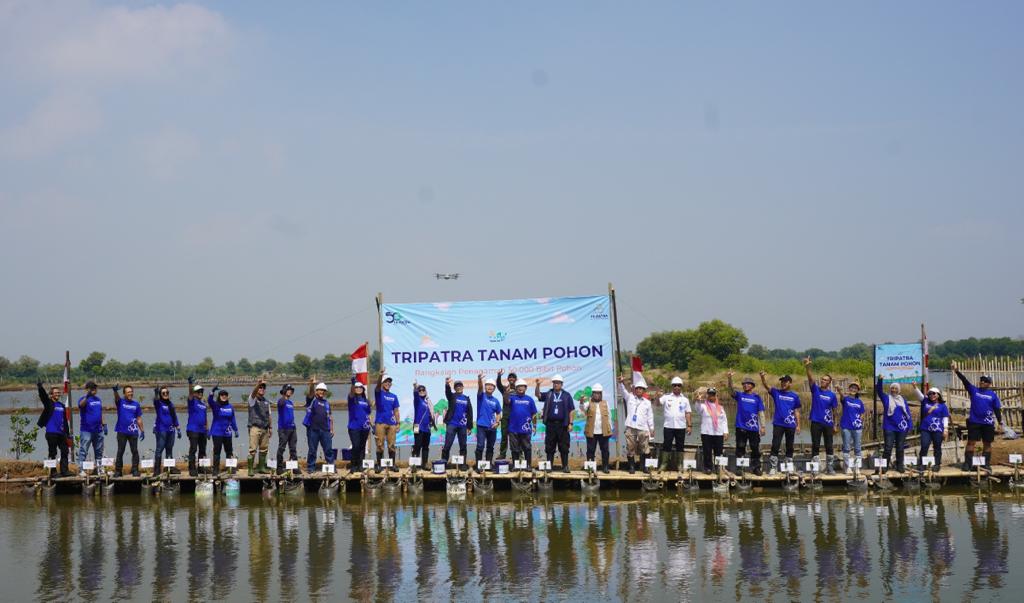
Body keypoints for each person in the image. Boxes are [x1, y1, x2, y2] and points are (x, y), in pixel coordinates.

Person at [951, 361, 1004, 471]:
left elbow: (997, 409)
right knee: (971, 442)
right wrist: (957, 371)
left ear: (989, 383)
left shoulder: (993, 395)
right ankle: (967, 463)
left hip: (988, 423)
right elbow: (965, 381)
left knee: (987, 443)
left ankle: (986, 464)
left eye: (985, 381)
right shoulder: (974, 390)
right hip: (974, 421)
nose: (982, 382)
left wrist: (1000, 423)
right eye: (981, 380)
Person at [760, 372, 801, 475]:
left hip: (791, 424)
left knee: (790, 445)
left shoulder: (794, 396)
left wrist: (798, 425)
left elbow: (796, 411)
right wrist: (763, 378)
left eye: (785, 382)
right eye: (782, 382)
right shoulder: (776, 392)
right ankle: (773, 467)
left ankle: (789, 467)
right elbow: (766, 386)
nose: (783, 383)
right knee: (775, 445)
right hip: (778, 423)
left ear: (790, 383)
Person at [804, 358, 839, 474]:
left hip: (828, 423)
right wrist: (808, 366)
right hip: (816, 422)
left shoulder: (832, 395)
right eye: (822, 379)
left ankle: (830, 467)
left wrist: (835, 425)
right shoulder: (816, 390)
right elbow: (810, 378)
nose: (823, 381)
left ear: (829, 382)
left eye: (825, 380)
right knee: (815, 444)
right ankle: (815, 468)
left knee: (829, 445)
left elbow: (835, 411)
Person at [727, 372, 766, 475]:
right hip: (741, 426)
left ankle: (756, 468)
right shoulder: (739, 395)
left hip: (753, 428)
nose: (745, 385)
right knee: (740, 448)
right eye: (744, 384)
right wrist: (729, 378)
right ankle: (740, 468)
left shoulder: (757, 397)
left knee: (755, 448)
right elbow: (730, 390)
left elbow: (761, 412)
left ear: (752, 386)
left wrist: (763, 426)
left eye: (748, 383)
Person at [536, 374, 574, 473]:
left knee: (564, 447)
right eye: (554, 383)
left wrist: (571, 423)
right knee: (549, 446)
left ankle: (565, 466)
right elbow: (538, 395)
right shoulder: (549, 394)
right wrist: (538, 386)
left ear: (561, 384)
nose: (556, 384)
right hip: (551, 425)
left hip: (563, 425)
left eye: (558, 383)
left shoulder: (566, 395)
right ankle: (549, 466)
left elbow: (571, 410)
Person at [618, 376, 654, 474]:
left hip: (643, 427)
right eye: (637, 388)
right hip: (630, 427)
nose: (639, 390)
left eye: (641, 389)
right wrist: (621, 383)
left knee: (645, 447)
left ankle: (645, 467)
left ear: (643, 390)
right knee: (630, 447)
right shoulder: (629, 397)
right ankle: (632, 467)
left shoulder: (647, 402)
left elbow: (650, 416)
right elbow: (622, 391)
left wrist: (652, 428)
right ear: (634, 389)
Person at [875, 376, 912, 473]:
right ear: (890, 389)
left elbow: (907, 413)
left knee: (900, 447)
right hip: (889, 427)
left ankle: (900, 466)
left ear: (899, 390)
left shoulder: (902, 400)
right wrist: (880, 380)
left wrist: (910, 425)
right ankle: (884, 467)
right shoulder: (886, 398)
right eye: (892, 388)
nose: (894, 390)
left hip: (902, 427)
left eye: (896, 388)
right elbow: (879, 390)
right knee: (888, 448)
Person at [655, 376, 691, 472]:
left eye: (678, 385)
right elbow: (657, 404)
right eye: (674, 385)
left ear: (681, 387)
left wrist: (689, 425)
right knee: (666, 445)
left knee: (680, 446)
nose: (676, 387)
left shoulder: (685, 400)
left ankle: (679, 465)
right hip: (668, 426)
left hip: (681, 426)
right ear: (672, 386)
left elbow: (687, 413)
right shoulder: (666, 397)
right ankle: (663, 465)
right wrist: (657, 396)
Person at [36, 379, 71, 477]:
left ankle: (64, 471)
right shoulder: (49, 404)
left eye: (59, 393)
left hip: (61, 433)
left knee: (65, 451)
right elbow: (43, 397)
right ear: (51, 394)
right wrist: (40, 387)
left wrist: (67, 434)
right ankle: (53, 472)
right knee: (53, 452)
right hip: (51, 432)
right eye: (56, 393)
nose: (58, 394)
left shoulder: (62, 406)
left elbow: (65, 421)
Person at [914, 385, 950, 471]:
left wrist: (945, 429)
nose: (932, 395)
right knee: (924, 445)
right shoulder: (925, 401)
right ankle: (922, 464)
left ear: (938, 395)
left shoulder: (942, 405)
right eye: (930, 394)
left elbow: (945, 417)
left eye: (934, 393)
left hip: (937, 429)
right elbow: (919, 395)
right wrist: (915, 387)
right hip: (926, 428)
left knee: (937, 447)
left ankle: (937, 464)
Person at [442, 377, 474, 469]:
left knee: (463, 445)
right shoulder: (452, 396)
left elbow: (470, 413)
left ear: (463, 387)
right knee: (447, 444)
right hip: (452, 424)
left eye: (460, 386)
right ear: (454, 388)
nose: (459, 387)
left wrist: (469, 427)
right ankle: (443, 463)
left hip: (462, 426)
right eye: (457, 386)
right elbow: (447, 392)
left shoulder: (466, 398)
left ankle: (462, 464)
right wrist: (447, 384)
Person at [112, 384, 144, 477]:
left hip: (133, 431)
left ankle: (135, 470)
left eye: (131, 392)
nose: (130, 393)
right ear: (124, 393)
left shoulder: (136, 404)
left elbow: (139, 418)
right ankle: (118, 471)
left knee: (134, 451)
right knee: (120, 451)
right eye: (128, 392)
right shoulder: (120, 402)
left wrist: (142, 430)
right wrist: (115, 391)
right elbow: (117, 398)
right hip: (122, 431)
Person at [506, 379, 539, 466]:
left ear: (526, 388)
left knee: (527, 448)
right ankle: (516, 465)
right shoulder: (512, 398)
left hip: (526, 429)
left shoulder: (530, 399)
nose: (521, 388)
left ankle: (528, 465)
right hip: (513, 429)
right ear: (516, 388)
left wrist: (535, 426)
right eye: (518, 386)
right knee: (514, 449)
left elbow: (534, 414)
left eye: (522, 386)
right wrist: (506, 393)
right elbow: (506, 401)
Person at [77, 380, 106, 475]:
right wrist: (87, 396)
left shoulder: (98, 399)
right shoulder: (83, 399)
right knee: (84, 450)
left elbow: (100, 413)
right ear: (87, 389)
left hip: (98, 430)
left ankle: (99, 468)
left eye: (95, 388)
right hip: (86, 430)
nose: (94, 390)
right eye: (92, 388)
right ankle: (81, 469)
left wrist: (104, 424)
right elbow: (81, 405)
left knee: (99, 451)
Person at [697, 387, 729, 473]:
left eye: (713, 394)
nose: (711, 396)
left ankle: (718, 468)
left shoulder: (721, 408)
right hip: (706, 432)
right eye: (710, 394)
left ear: (715, 396)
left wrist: (725, 432)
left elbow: (724, 420)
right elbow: (697, 409)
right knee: (707, 451)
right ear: (707, 395)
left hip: (718, 433)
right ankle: (708, 468)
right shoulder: (703, 406)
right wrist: (698, 400)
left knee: (718, 452)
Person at [581, 383, 611, 473]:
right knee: (590, 451)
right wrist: (581, 402)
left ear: (601, 394)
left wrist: (610, 429)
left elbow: (609, 417)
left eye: (599, 393)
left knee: (605, 450)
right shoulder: (588, 403)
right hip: (592, 432)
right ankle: (591, 468)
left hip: (604, 432)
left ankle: (605, 467)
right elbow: (583, 408)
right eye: (595, 393)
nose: (597, 395)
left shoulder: (605, 403)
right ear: (592, 394)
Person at [305, 380, 334, 471]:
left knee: (328, 450)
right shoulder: (312, 400)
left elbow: (330, 417)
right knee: (312, 450)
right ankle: (311, 468)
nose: (322, 392)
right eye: (320, 390)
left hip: (325, 430)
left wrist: (332, 429)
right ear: (316, 391)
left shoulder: (326, 403)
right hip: (313, 430)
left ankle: (331, 467)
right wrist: (312, 385)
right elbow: (310, 394)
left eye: (323, 390)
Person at [837, 382, 867, 472]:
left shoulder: (859, 401)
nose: (853, 390)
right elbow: (842, 397)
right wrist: (839, 391)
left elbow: (862, 413)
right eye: (852, 388)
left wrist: (859, 421)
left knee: (857, 448)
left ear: (857, 390)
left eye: (855, 388)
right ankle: (847, 467)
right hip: (846, 426)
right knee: (846, 447)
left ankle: (856, 467)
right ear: (849, 389)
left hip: (857, 428)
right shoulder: (845, 399)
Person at [209, 387, 239, 475]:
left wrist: (236, 429)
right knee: (217, 451)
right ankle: (215, 469)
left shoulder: (230, 407)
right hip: (217, 432)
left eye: (225, 395)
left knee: (229, 451)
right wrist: (212, 391)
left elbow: (232, 419)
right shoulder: (216, 406)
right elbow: (210, 401)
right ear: (219, 396)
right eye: (222, 394)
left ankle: (230, 468)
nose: (224, 396)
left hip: (227, 433)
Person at [475, 374, 502, 470]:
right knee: (480, 446)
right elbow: (480, 388)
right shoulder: (481, 396)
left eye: (492, 385)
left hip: (492, 427)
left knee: (490, 447)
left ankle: (488, 465)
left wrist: (497, 422)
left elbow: (499, 413)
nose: (490, 387)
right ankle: (478, 466)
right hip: (481, 426)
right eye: (488, 385)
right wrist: (479, 380)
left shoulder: (496, 401)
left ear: (494, 388)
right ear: (485, 386)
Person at [373, 373, 401, 466]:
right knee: (380, 445)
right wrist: (380, 376)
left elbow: (396, 410)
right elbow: (377, 387)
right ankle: (379, 465)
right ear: (382, 383)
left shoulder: (394, 396)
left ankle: (392, 465)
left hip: (392, 424)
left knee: (392, 445)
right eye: (386, 382)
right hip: (380, 423)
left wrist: (398, 423)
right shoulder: (378, 393)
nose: (388, 384)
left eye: (389, 382)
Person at [247, 378, 273, 475]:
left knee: (264, 449)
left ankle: (261, 467)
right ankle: (251, 469)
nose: (262, 389)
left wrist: (270, 427)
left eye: (263, 388)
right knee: (253, 449)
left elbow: (269, 415)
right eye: (260, 388)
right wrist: (258, 384)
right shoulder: (252, 399)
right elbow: (253, 393)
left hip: (265, 428)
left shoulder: (266, 401)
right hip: (255, 428)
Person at [152, 385, 180, 472]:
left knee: (169, 449)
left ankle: (169, 468)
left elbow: (174, 417)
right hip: (161, 430)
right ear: (161, 394)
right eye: (163, 393)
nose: (165, 394)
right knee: (159, 449)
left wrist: (178, 428)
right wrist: (156, 393)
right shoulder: (159, 403)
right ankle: (157, 470)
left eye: (167, 392)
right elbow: (155, 400)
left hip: (171, 430)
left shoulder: (171, 404)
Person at [185, 377, 208, 476]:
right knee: (193, 449)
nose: (200, 393)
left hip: (202, 430)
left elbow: (205, 418)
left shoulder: (203, 404)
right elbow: (190, 393)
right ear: (194, 393)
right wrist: (190, 384)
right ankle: (192, 468)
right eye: (198, 391)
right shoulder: (192, 401)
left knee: (202, 450)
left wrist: (207, 429)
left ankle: (201, 467)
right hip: (193, 429)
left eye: (201, 391)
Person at [347, 378, 372, 472]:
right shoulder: (352, 399)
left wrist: (371, 424)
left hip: (365, 428)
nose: (358, 389)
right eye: (356, 388)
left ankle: (360, 465)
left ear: (363, 389)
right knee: (356, 446)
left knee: (362, 447)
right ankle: (353, 465)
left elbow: (368, 414)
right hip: (354, 427)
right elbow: (351, 394)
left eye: (360, 387)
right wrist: (353, 384)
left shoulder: (366, 401)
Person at [495, 369, 518, 459]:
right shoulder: (505, 389)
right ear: (508, 379)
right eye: (510, 377)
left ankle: (518, 456)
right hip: (505, 417)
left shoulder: (519, 389)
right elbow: (498, 385)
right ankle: (502, 454)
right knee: (504, 436)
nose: (511, 378)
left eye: (513, 377)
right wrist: (499, 376)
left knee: (516, 437)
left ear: (516, 379)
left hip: (515, 418)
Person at [411, 381, 435, 466]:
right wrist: (415, 387)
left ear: (426, 391)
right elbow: (415, 394)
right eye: (419, 390)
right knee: (417, 445)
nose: (421, 391)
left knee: (425, 447)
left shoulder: (428, 402)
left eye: (423, 390)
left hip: (427, 428)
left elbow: (431, 414)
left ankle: (424, 464)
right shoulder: (418, 400)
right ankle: (415, 465)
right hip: (418, 426)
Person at [276, 384, 298, 474]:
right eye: (288, 389)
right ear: (284, 391)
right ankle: (279, 467)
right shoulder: (281, 401)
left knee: (293, 448)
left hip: (292, 428)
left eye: (291, 390)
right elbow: (281, 403)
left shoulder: (290, 403)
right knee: (282, 448)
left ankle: (294, 467)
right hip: (283, 429)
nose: (290, 391)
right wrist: (283, 395)